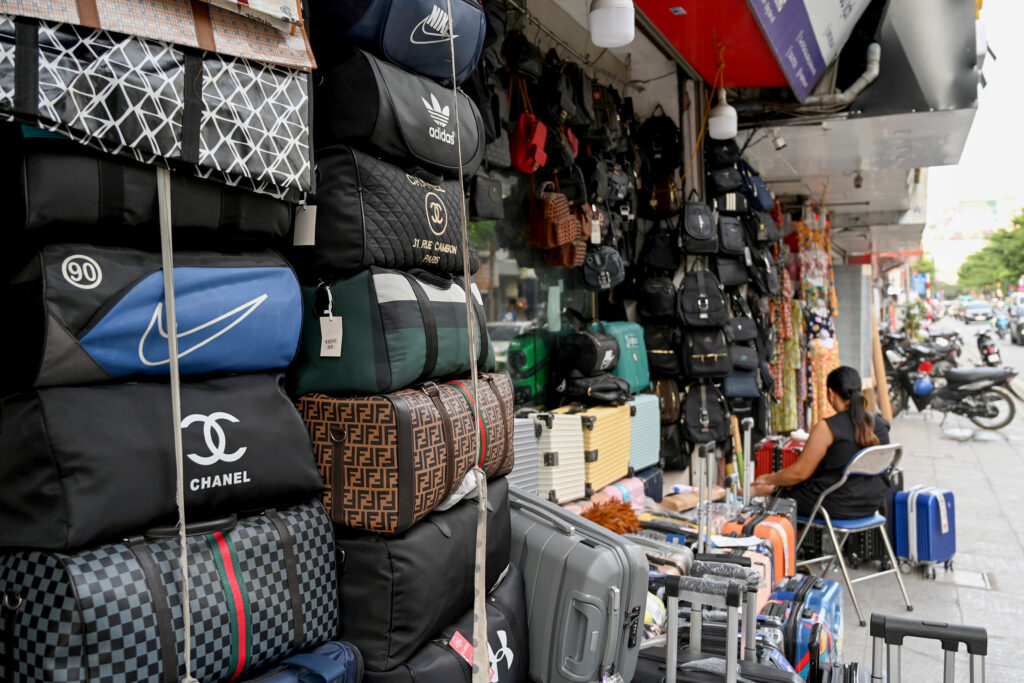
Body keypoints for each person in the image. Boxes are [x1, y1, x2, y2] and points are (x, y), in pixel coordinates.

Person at [751, 366, 891, 519]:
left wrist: (769, 478)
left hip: (836, 505)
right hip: (871, 504)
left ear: (831, 393)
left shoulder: (827, 428)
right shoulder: (881, 426)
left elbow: (799, 474)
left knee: (777, 494)